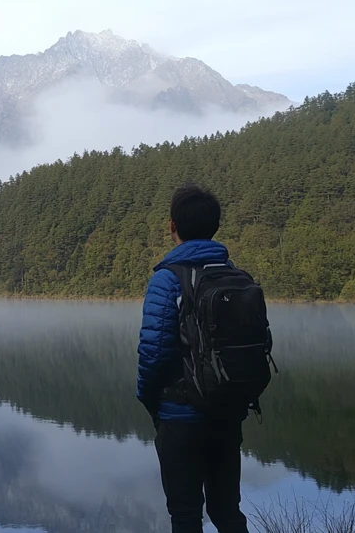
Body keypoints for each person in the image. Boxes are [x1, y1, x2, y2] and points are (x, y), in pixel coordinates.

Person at [137, 184, 249, 533]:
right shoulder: (236, 277)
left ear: (172, 226)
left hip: (179, 416)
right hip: (227, 414)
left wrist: (150, 401)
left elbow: (153, 352)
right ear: (215, 225)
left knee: (185, 516)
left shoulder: (166, 280)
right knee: (228, 513)